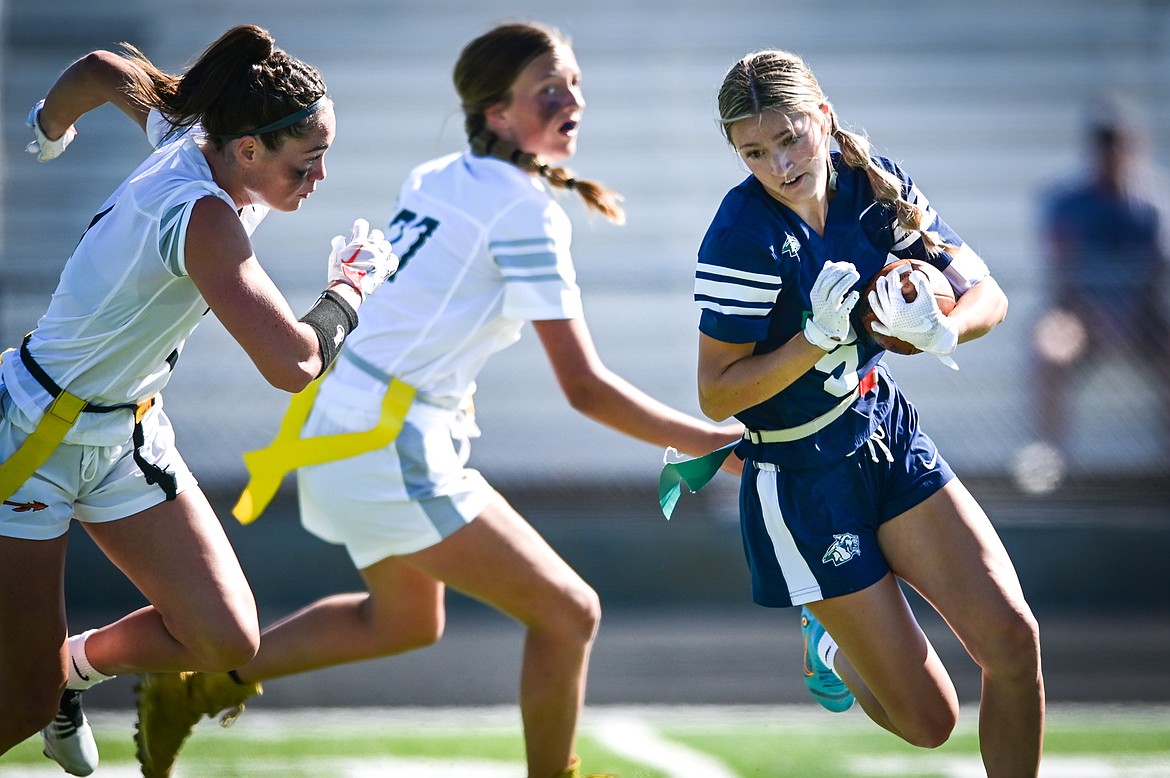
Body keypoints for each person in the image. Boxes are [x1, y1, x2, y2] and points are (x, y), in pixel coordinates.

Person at [133, 21, 742, 778]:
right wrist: (719, 448)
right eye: (548, 90)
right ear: (497, 113)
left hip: (350, 427)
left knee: (406, 620)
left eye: (574, 83)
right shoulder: (526, 211)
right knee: (568, 612)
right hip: (389, 444)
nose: (571, 98)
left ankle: (192, 689)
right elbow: (583, 388)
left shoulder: (441, 173)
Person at [2, 25, 394, 776]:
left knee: (225, 639)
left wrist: (49, 128)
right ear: (247, 150)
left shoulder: (200, 131)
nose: (319, 179)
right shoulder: (205, 213)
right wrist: (350, 287)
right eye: (307, 162)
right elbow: (293, 363)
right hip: (32, 438)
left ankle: (71, 672)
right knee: (17, 698)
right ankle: (43, 687)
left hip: (128, 434)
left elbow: (98, 70)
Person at [690, 50, 1044, 775]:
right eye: (755, 152)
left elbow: (988, 295)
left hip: (884, 435)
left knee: (1013, 643)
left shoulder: (873, 187)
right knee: (930, 722)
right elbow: (717, 392)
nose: (781, 164)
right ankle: (832, 639)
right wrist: (810, 342)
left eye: (791, 138)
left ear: (823, 116)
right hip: (801, 478)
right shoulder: (742, 237)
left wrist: (947, 329)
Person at [1015, 94, 1170, 493]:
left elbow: (1157, 272)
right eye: (1103, 142)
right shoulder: (1067, 203)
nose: (1111, 152)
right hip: (1080, 317)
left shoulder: (1152, 206)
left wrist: (1131, 318)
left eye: (1118, 141)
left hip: (1141, 319)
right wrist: (1100, 317)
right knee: (1047, 346)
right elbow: (1063, 274)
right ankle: (1049, 458)